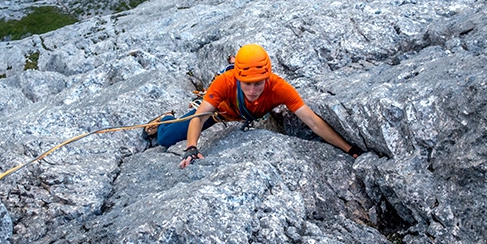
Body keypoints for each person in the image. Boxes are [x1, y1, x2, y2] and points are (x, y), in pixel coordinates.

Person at [149, 44, 361, 168]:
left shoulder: (279, 88)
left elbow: (313, 122)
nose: (252, 91)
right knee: (165, 138)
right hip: (218, 114)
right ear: (237, 77)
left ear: (267, 78)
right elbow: (201, 116)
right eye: (247, 84)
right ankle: (166, 119)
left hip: (235, 112)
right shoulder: (226, 81)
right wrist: (191, 147)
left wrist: (349, 149)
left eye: (258, 83)